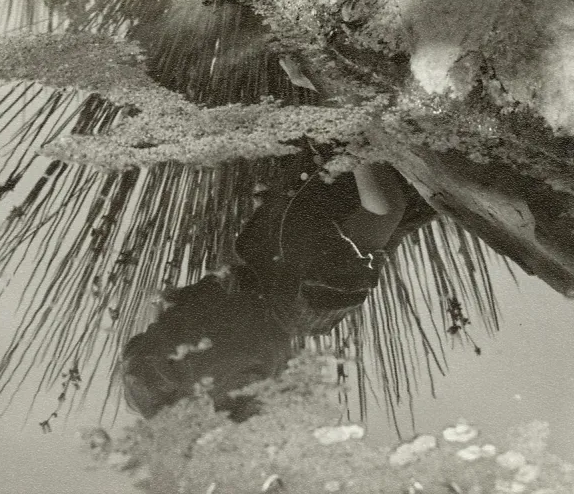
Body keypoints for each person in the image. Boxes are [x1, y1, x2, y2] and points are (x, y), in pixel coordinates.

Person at [120, 157, 422, 417]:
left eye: (169, 320)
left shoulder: (260, 273)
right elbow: (384, 209)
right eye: (180, 326)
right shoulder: (308, 302)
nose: (175, 306)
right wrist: (358, 131)